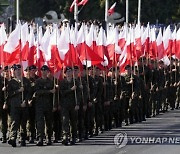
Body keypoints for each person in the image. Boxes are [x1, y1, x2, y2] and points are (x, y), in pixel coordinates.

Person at [7, 64, 31, 147]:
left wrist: (26, 101)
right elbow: (9, 93)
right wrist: (18, 90)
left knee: (23, 123)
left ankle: (22, 138)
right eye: (16, 70)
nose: (17, 71)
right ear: (14, 71)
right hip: (15, 105)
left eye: (19, 69)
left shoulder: (26, 81)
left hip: (24, 105)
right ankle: (13, 138)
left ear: (21, 71)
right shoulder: (11, 82)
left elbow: (29, 93)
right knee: (14, 122)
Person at [34, 65, 55, 146]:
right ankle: (40, 138)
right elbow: (37, 92)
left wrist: (54, 105)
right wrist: (49, 91)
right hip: (39, 105)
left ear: (48, 72)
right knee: (40, 122)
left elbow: (54, 95)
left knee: (49, 122)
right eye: (42, 70)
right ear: (40, 72)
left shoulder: (51, 81)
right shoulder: (38, 81)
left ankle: (49, 138)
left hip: (48, 104)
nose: (44, 72)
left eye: (45, 70)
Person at [60, 66, 80, 145]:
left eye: (70, 72)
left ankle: (74, 136)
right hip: (65, 105)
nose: (68, 73)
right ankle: (65, 135)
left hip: (73, 104)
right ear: (64, 74)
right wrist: (71, 90)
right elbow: (62, 93)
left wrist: (77, 104)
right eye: (67, 72)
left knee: (73, 121)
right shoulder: (62, 83)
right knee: (65, 120)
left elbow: (79, 94)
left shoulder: (76, 82)